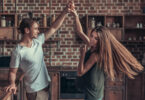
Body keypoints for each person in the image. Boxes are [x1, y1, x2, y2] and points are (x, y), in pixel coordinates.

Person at [69, 1, 144, 100]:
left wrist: (82, 54)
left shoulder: (96, 55)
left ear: (100, 41)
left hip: (93, 96)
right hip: (93, 91)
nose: (91, 39)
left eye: (96, 38)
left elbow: (80, 72)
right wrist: (75, 15)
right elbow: (80, 32)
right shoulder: (92, 45)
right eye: (91, 36)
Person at [5, 2, 72, 100]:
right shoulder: (18, 51)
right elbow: (12, 72)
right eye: (35, 29)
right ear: (27, 30)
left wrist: (65, 12)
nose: (38, 31)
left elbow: (53, 28)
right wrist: (12, 84)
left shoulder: (38, 41)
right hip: (35, 91)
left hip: (45, 86)